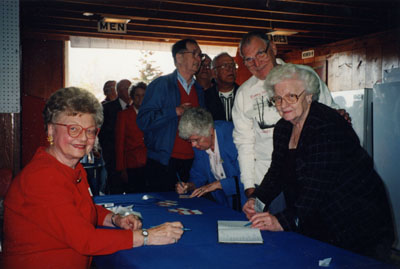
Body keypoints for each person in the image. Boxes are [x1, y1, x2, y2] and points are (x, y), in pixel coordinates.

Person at [2, 87, 184, 269]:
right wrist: (148, 236)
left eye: (90, 131)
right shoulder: (42, 177)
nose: (83, 138)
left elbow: (82, 210)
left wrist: (115, 219)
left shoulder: (74, 167)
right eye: (73, 129)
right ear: (51, 130)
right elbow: (85, 240)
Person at [242, 64, 394, 261]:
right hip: (319, 217)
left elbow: (317, 188)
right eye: (277, 98)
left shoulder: (326, 125)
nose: (283, 104)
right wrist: (258, 200)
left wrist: (281, 221)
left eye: (291, 96)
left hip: (356, 220)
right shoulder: (283, 127)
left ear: (309, 96)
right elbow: (277, 171)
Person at [232, 31, 342, 199]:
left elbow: (331, 116)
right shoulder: (243, 94)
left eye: (260, 53)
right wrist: (249, 185)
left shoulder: (304, 76)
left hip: (310, 175)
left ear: (273, 48)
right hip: (267, 180)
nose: (256, 63)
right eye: (248, 59)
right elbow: (244, 143)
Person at [137, 39, 205, 192]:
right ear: (179, 57)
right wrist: (175, 112)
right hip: (163, 162)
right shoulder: (161, 85)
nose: (198, 59)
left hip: (193, 162)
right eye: (194, 54)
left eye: (200, 55)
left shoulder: (199, 90)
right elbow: (143, 121)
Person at [175, 107, 245, 211]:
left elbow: (248, 178)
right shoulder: (201, 146)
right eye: (190, 141)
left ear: (210, 131)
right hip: (225, 205)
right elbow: (198, 176)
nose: (193, 145)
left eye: (196, 140)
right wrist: (188, 186)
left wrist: (218, 184)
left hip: (247, 201)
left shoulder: (232, 137)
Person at [99, 79, 132, 194]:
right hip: (113, 158)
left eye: (130, 88)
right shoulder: (107, 108)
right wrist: (108, 155)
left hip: (132, 159)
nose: (129, 91)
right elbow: (102, 134)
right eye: (126, 88)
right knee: (115, 188)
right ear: (118, 91)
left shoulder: (137, 107)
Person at [115, 82, 147, 193]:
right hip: (132, 164)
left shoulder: (152, 114)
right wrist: (121, 169)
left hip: (150, 163)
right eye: (137, 95)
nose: (140, 98)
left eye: (143, 95)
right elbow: (120, 143)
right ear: (132, 97)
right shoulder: (123, 115)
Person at [205, 52, 239, 121]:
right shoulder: (205, 97)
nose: (230, 69)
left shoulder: (243, 93)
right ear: (214, 73)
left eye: (232, 65)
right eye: (225, 66)